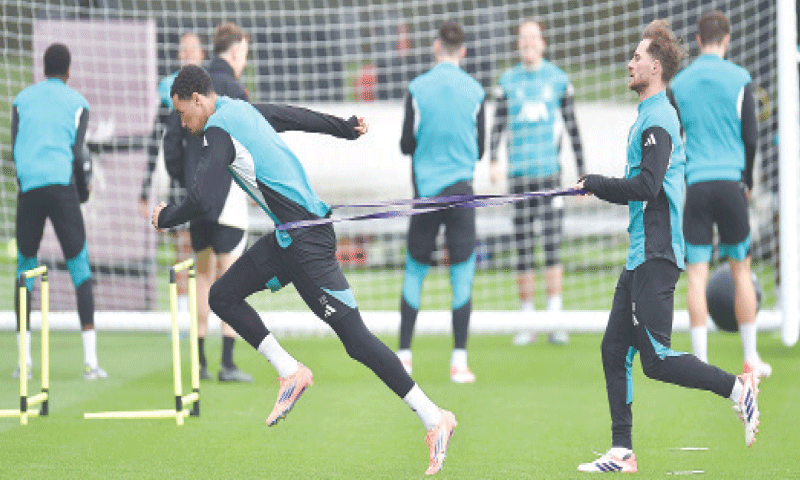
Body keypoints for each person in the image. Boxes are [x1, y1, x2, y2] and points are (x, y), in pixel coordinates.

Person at [152, 64, 457, 476]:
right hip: (287, 238)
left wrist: (165, 217)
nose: (184, 124)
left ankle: (434, 417)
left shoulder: (218, 129)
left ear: (197, 99)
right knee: (222, 296)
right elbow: (295, 116)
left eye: (183, 114)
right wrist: (345, 128)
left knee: (356, 341)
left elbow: (204, 200)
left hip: (307, 241)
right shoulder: (242, 109)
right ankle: (290, 371)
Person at [575, 20, 761, 473]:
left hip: (656, 255)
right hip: (640, 253)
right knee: (613, 349)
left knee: (655, 358)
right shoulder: (647, 115)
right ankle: (622, 451)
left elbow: (648, 184)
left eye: (637, 57)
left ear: (654, 68)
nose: (630, 62)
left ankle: (738, 390)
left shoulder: (659, 118)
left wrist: (597, 184)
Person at [669, 10, 771, 379]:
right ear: (726, 39)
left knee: (696, 274)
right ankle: (751, 358)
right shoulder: (740, 78)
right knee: (741, 271)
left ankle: (698, 362)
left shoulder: (680, 83)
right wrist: (747, 181)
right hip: (730, 185)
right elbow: (751, 137)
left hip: (696, 186)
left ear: (697, 40)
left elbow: (673, 138)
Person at [395, 21, 486, 384]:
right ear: (462, 50)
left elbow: (405, 144)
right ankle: (459, 361)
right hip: (462, 191)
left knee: (415, 270)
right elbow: (479, 149)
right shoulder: (477, 91)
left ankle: (404, 356)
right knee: (461, 273)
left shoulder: (417, 89)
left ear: (436, 47)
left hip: (427, 193)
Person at [11, 43, 106, 380]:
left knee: (25, 268)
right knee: (79, 268)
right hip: (61, 186)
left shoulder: (20, 100)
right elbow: (79, 153)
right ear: (69, 71)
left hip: (30, 188)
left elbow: (15, 145)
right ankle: (91, 363)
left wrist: (25, 186)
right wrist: (81, 193)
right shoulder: (78, 103)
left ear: (42, 68)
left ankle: (24, 363)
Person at [164, 22, 252, 382]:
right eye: (244, 52)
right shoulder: (234, 89)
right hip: (228, 191)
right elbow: (250, 140)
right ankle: (227, 362)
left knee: (201, 274)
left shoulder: (190, 85)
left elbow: (170, 143)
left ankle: (199, 359)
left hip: (196, 194)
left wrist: (186, 182)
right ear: (234, 51)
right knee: (230, 274)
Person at [489, 17, 586, 346]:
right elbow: (497, 126)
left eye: (533, 37)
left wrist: (582, 171)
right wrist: (492, 159)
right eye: (523, 37)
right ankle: (527, 320)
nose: (528, 42)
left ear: (543, 42)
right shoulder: (507, 82)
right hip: (519, 178)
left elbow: (573, 128)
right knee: (524, 249)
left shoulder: (558, 80)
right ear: (518, 44)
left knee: (552, 246)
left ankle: (554, 320)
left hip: (550, 178)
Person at [138, 32, 204, 313]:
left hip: (209, 177)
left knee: (211, 247)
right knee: (183, 245)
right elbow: (155, 140)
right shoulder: (167, 89)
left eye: (193, 49)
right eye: (184, 49)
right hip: (181, 181)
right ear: (178, 55)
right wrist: (143, 190)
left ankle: (210, 310)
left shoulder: (212, 89)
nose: (188, 53)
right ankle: (181, 312)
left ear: (202, 54)